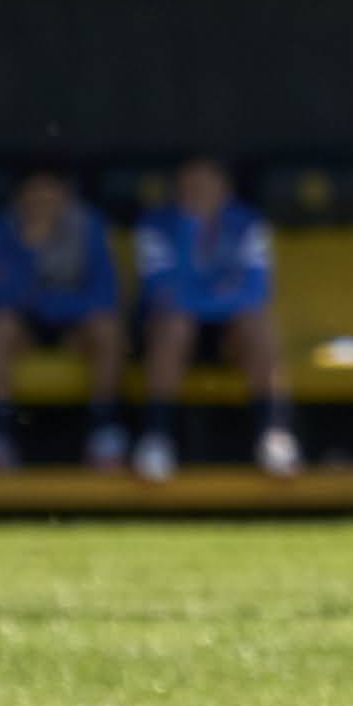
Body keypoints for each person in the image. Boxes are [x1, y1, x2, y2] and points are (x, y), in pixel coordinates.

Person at [133, 154, 295, 481]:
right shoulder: (156, 225)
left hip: (230, 334)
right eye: (188, 186)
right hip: (174, 332)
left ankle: (275, 433)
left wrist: (200, 295)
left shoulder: (249, 223)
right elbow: (161, 291)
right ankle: (157, 437)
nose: (197, 192)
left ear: (225, 188)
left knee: (258, 324)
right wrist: (190, 231)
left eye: (206, 184)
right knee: (175, 324)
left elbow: (256, 290)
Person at [0, 166, 129, 473]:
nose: (41, 204)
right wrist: (30, 249)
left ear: (66, 196)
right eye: (34, 197)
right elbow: (0, 296)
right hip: (26, 331)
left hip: (76, 329)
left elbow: (105, 295)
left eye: (50, 196)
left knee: (107, 328)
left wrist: (47, 303)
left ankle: (103, 433)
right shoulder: (3, 230)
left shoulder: (90, 227)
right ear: (19, 199)